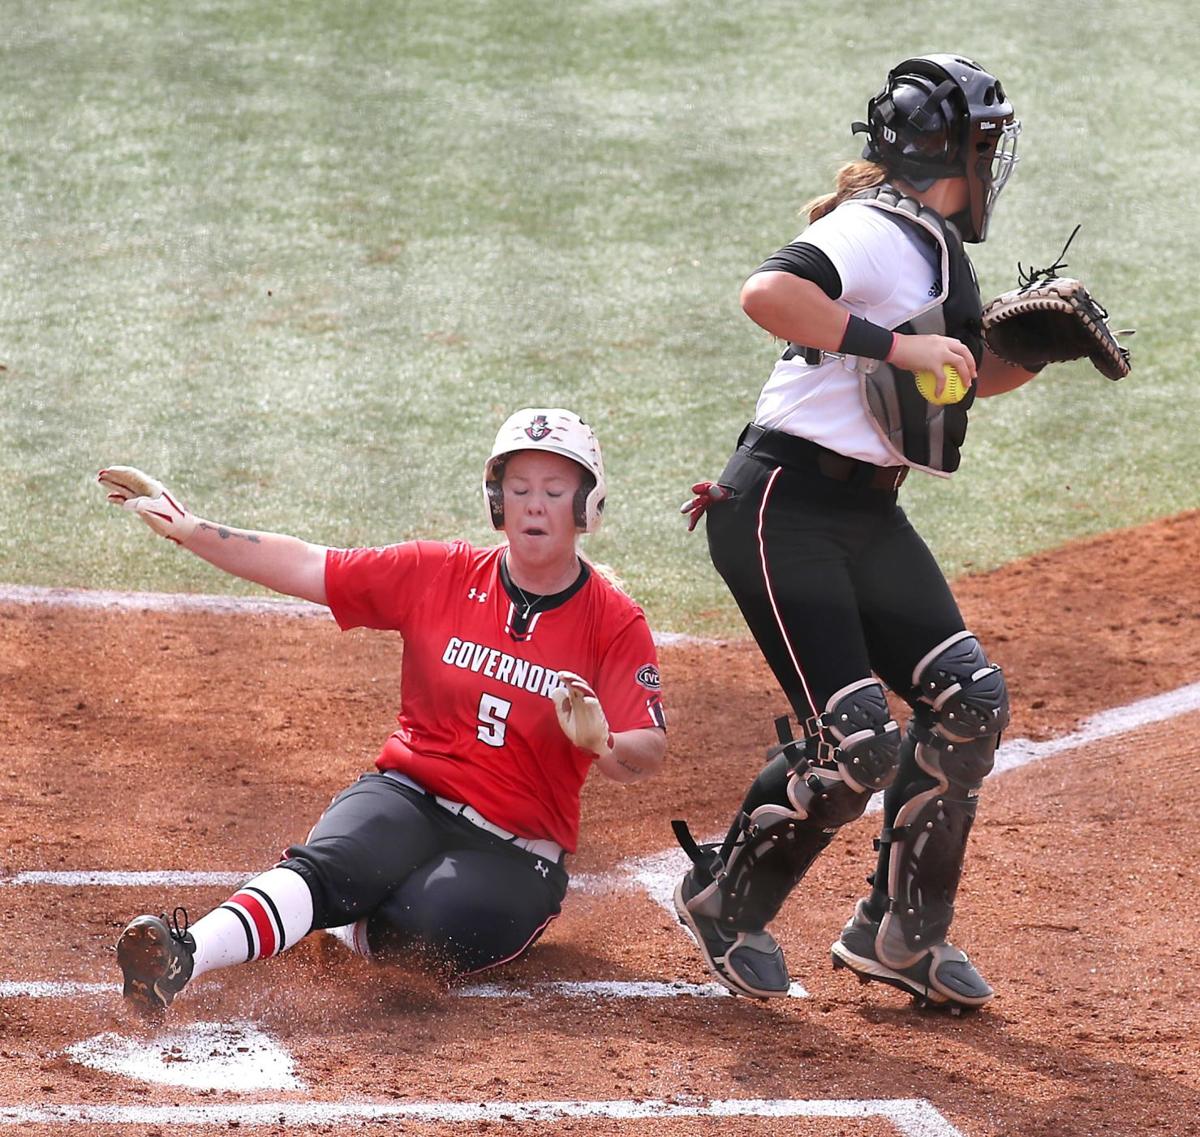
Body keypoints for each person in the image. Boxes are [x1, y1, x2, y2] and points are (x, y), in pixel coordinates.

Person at [671, 55, 1036, 1013]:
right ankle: (723, 899)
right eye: (987, 139)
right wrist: (896, 344)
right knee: (859, 744)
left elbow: (955, 375)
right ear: (957, 147)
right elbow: (767, 293)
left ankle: (899, 934)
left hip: (865, 512)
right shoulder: (872, 229)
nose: (993, 158)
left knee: (968, 700)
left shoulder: (934, 245)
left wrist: (1033, 353)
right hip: (780, 508)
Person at [99, 408, 667, 1017]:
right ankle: (186, 954)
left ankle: (336, 918)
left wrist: (603, 742)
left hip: (516, 852)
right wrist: (189, 528)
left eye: (554, 492)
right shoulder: (440, 573)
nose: (534, 506)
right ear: (496, 501)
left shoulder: (613, 620)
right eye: (519, 490)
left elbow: (646, 754)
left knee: (414, 930)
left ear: (586, 506)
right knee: (331, 867)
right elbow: (307, 566)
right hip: (409, 793)